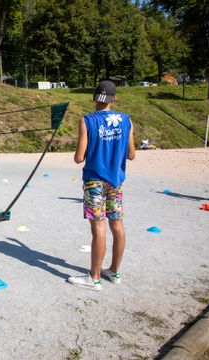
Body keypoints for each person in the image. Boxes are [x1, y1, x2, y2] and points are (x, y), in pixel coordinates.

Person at [68, 80, 136, 291]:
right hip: (116, 181)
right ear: (113, 98)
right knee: (117, 225)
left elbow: (79, 157)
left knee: (98, 228)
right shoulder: (127, 120)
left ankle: (94, 277)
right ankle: (114, 271)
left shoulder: (87, 120)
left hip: (95, 181)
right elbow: (132, 154)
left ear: (94, 97)